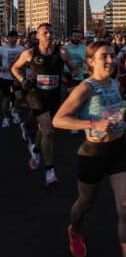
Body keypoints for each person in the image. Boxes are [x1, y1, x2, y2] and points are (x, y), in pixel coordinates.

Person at [52, 42, 126, 257]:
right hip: (92, 153)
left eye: (112, 56)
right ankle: (74, 230)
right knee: (86, 203)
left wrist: (119, 118)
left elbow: (116, 111)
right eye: (104, 56)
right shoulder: (85, 88)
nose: (110, 60)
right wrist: (91, 124)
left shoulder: (115, 84)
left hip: (119, 151)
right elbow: (59, 119)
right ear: (90, 62)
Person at [11, 23, 77, 185]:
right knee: (48, 132)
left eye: (51, 32)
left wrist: (68, 76)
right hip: (35, 94)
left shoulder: (62, 52)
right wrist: (23, 81)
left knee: (43, 128)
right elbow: (15, 68)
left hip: (53, 95)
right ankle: (50, 170)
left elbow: (75, 69)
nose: (49, 35)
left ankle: (36, 150)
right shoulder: (29, 53)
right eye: (45, 33)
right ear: (38, 36)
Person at [0, 30, 24, 127]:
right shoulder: (2, 49)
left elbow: (25, 62)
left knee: (18, 97)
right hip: (5, 77)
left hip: (17, 77)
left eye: (15, 37)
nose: (14, 39)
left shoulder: (21, 49)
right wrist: (1, 68)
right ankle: (5, 118)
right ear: (8, 38)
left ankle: (15, 111)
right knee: (6, 99)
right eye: (12, 37)